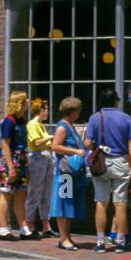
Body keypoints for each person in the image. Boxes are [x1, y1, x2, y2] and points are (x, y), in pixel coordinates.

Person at [84, 89, 131, 253]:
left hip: (101, 164)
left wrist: (96, 147)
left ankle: (100, 242)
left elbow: (87, 143)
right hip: (120, 162)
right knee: (120, 203)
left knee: (101, 202)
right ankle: (121, 241)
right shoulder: (126, 118)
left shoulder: (95, 117)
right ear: (116, 101)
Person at [50, 97, 88, 251]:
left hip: (72, 173)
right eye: (78, 111)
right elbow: (55, 146)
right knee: (64, 204)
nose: (79, 114)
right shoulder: (63, 128)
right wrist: (76, 151)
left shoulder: (69, 126)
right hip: (65, 172)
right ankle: (63, 238)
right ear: (73, 112)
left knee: (69, 203)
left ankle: (67, 236)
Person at [0, 91, 30, 241]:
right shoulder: (9, 122)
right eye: (25, 100)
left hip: (21, 160)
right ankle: (3, 229)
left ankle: (24, 228)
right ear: (20, 103)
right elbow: (5, 145)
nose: (29, 102)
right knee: (7, 193)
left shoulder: (22, 120)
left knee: (21, 194)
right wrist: (10, 167)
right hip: (10, 161)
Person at [25, 98, 56, 239]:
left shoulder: (40, 125)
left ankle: (46, 225)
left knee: (46, 192)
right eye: (46, 109)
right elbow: (36, 142)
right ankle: (30, 224)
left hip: (46, 157)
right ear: (41, 110)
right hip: (37, 158)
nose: (48, 112)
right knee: (35, 191)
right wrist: (50, 136)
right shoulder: (33, 124)